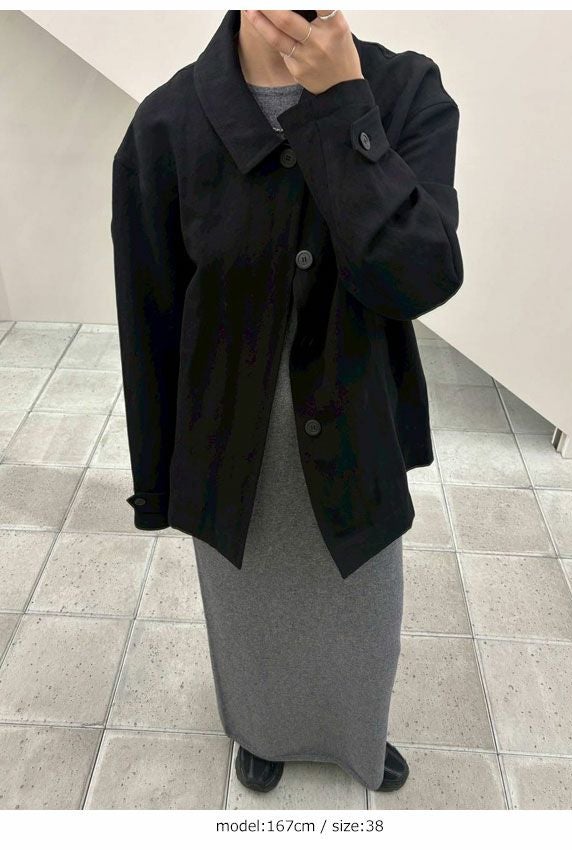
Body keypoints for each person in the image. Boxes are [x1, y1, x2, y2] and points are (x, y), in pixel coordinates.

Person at [111, 8, 463, 795]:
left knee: (362, 612)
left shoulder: (404, 93)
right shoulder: (166, 125)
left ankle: (354, 734)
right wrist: (159, 484)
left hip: (354, 430)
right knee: (250, 618)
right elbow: (150, 319)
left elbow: (419, 277)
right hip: (232, 444)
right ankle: (262, 730)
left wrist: (345, 109)